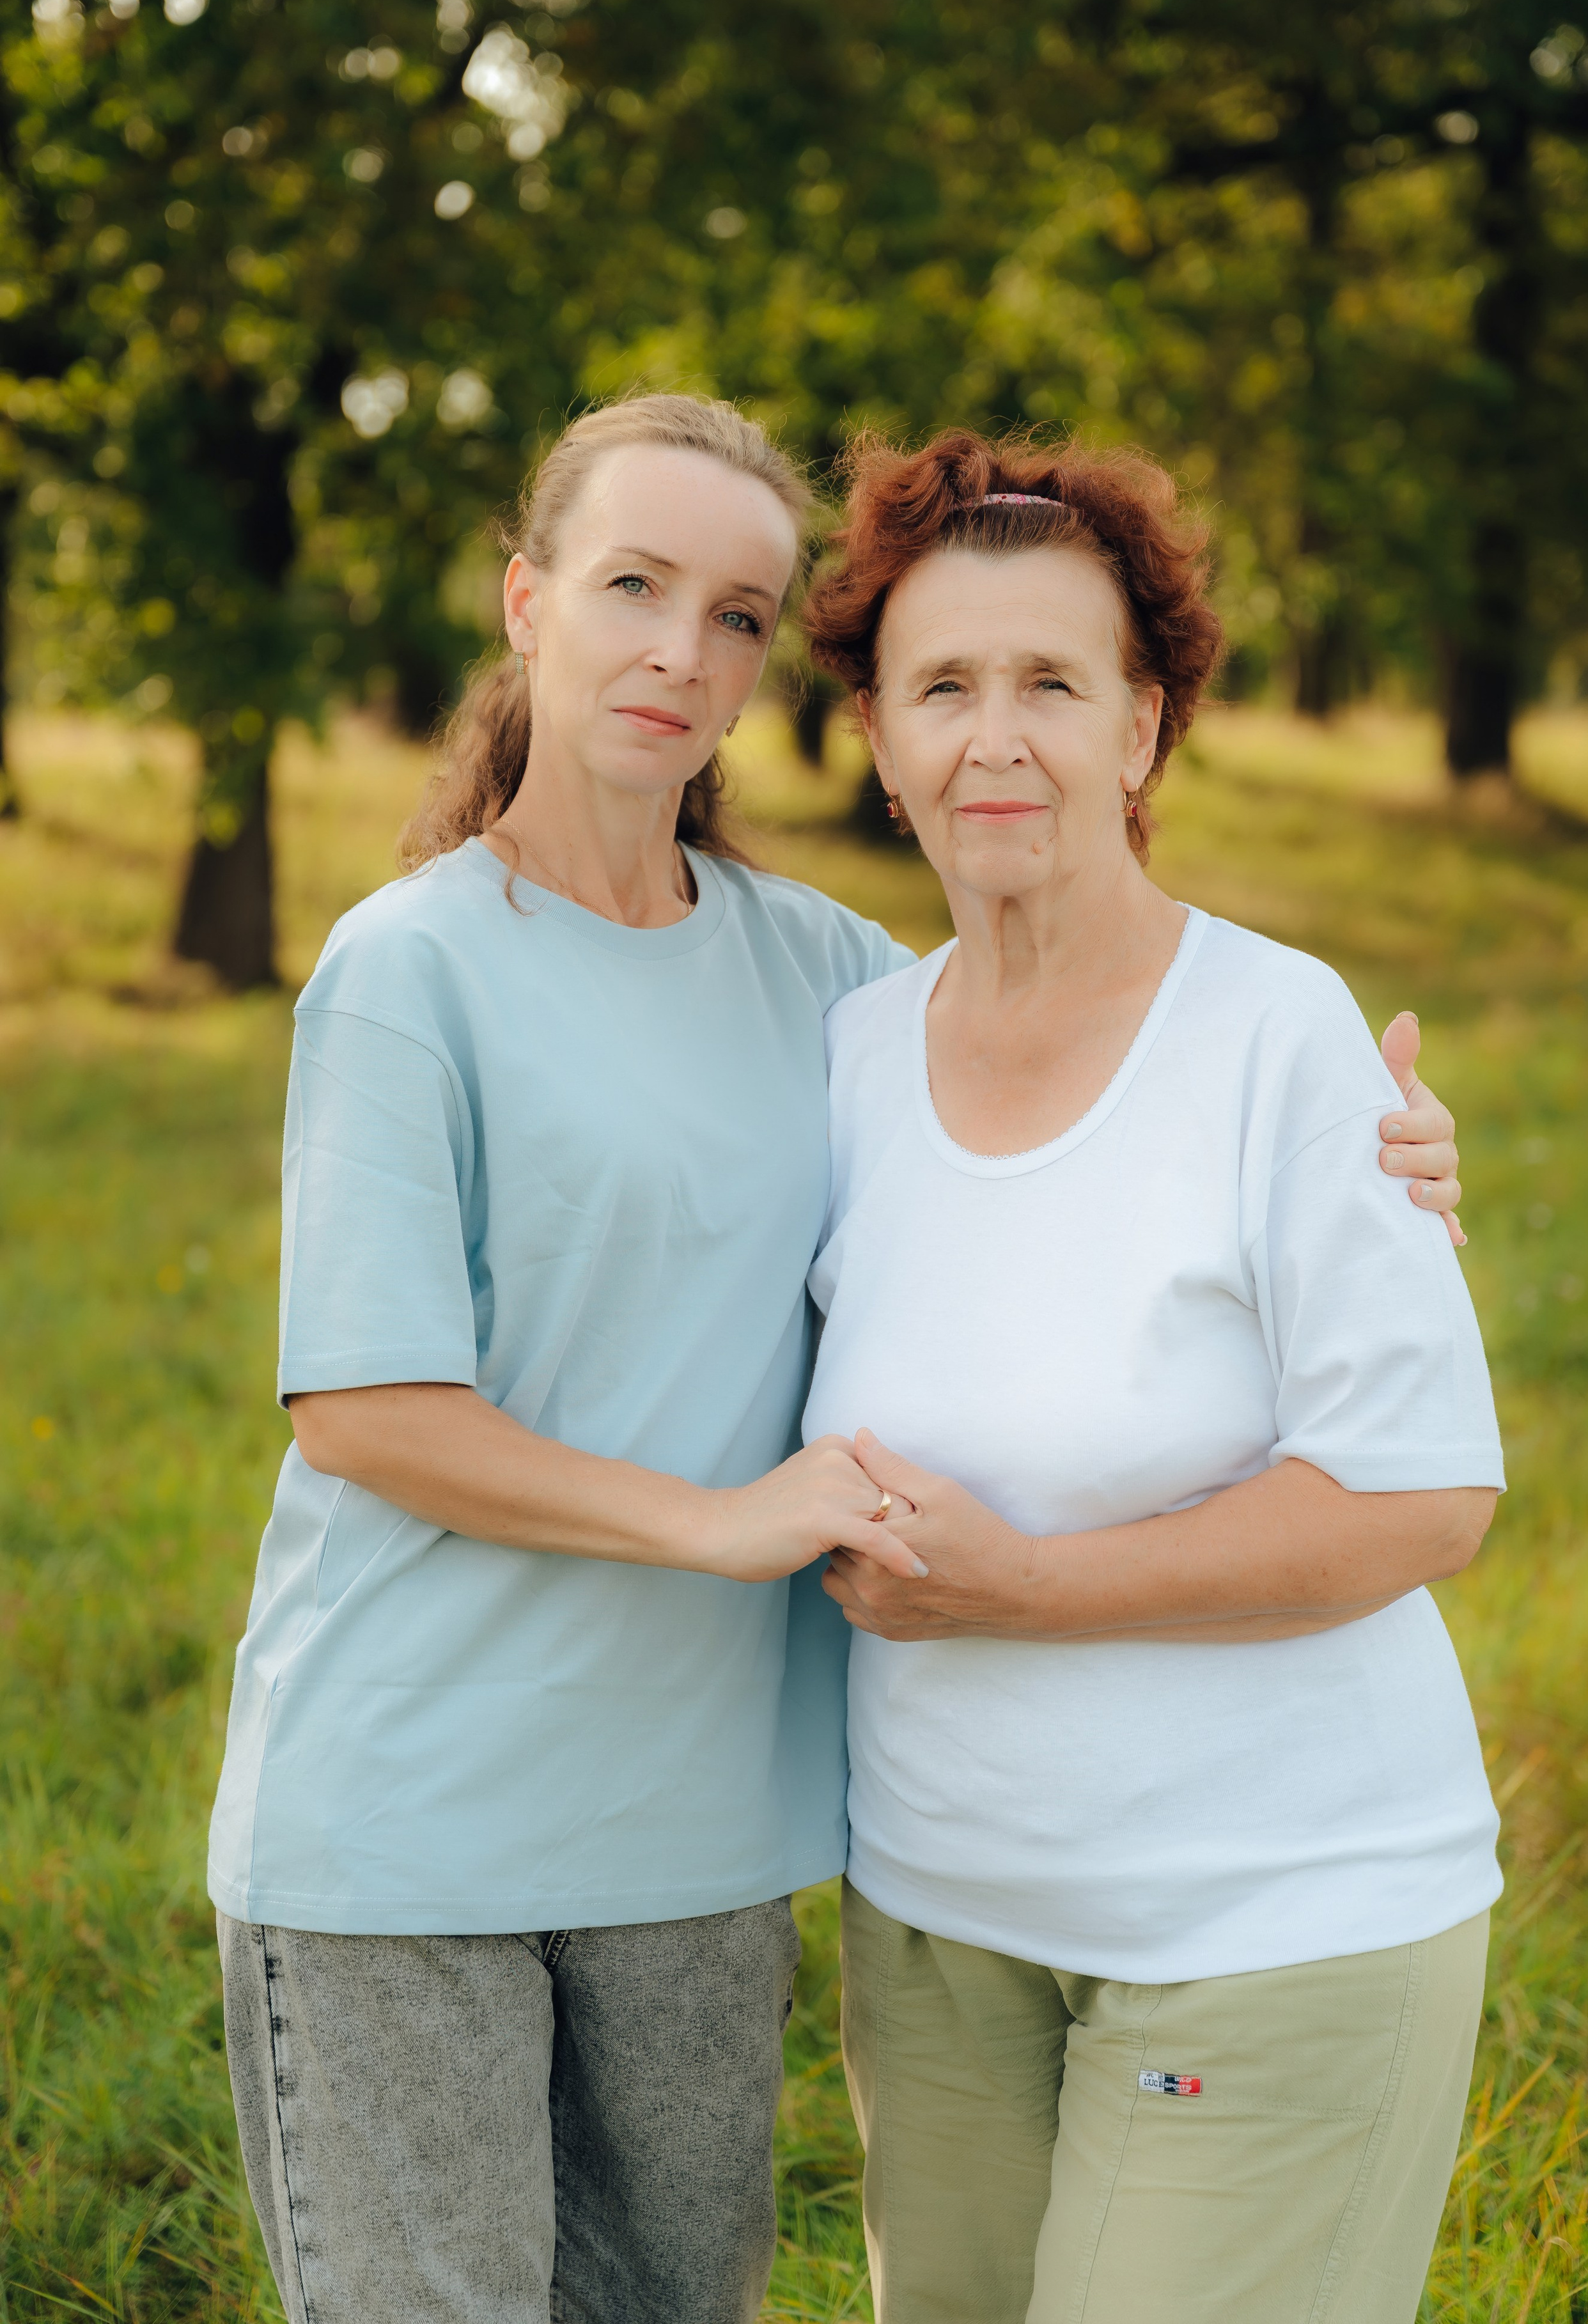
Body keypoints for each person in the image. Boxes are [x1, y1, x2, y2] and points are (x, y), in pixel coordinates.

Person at [206, 393, 1465, 2324]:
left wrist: (1388, 1167)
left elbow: (1098, 1093)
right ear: (525, 599)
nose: (678, 651)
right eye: (632, 585)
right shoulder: (465, 973)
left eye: (736, 613)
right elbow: (366, 1406)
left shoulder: (833, 983)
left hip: (726, 1837)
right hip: (460, 1818)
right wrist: (724, 1525)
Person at [800, 432, 1503, 2324]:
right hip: (937, 1930)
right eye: (943, 687)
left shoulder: (1279, 1037)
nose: (994, 738)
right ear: (878, 736)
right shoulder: (847, 1055)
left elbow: (1422, 1493)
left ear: (1146, 729)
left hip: (1270, 1926)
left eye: (1054, 682)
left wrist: (1017, 1591)